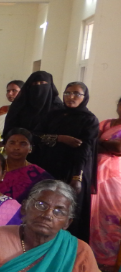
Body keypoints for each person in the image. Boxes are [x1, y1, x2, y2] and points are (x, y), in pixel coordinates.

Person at [33, 81, 99, 241]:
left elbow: (85, 150)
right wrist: (59, 138)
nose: (71, 97)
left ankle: (65, 246)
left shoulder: (89, 120)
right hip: (48, 167)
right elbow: (35, 135)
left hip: (74, 170)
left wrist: (77, 178)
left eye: (77, 93)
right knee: (44, 204)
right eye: (67, 93)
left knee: (67, 209)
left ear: (85, 97)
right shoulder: (53, 114)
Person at [91, 96, 121, 272]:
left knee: (112, 215)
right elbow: (90, 143)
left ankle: (109, 259)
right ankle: (93, 256)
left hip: (115, 177)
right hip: (95, 174)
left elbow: (118, 149)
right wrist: (106, 145)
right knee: (94, 215)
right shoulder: (105, 124)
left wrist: (100, 143)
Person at [0, 128, 53, 204]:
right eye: (12, 143)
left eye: (23, 144)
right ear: (5, 146)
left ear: (30, 149)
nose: (16, 148)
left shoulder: (38, 174)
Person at [4, 71, 63, 138]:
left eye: (42, 83)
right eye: (34, 84)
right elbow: (9, 130)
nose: (38, 87)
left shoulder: (58, 109)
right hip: (21, 145)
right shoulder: (19, 107)